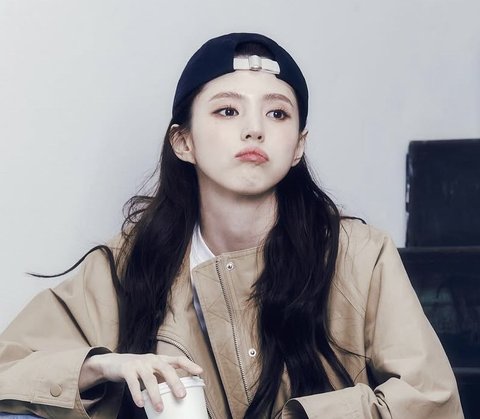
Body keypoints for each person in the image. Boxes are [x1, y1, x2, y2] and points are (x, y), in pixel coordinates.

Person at [0, 32, 464, 419]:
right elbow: (10, 371)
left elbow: (433, 400)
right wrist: (103, 367)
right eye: (228, 110)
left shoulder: (360, 255)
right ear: (183, 141)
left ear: (298, 146)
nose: (255, 129)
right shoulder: (130, 262)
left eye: (277, 113)